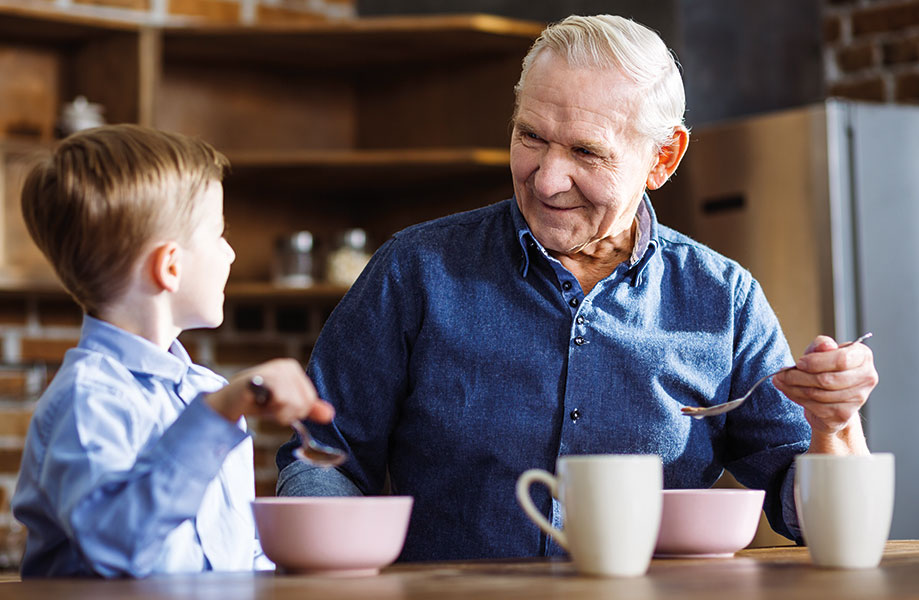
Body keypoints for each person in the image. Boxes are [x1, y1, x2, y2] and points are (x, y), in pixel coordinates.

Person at [276, 15, 878, 561]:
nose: (548, 178)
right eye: (530, 137)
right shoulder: (414, 271)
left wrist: (835, 426)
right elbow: (320, 454)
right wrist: (325, 558)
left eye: (587, 152)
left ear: (662, 159)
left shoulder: (724, 299)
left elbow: (811, 519)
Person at [11, 124, 332, 578]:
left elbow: (235, 554)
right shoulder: (87, 400)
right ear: (170, 267)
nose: (231, 254)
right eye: (218, 234)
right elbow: (119, 545)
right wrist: (215, 414)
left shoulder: (209, 391)